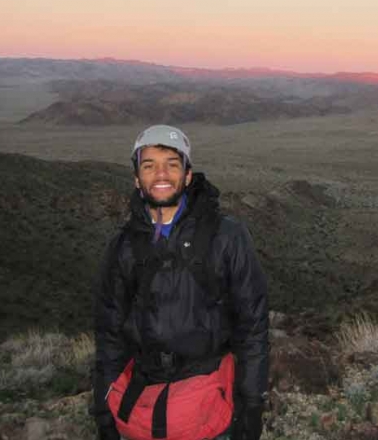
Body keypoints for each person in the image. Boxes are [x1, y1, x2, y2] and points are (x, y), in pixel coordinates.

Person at [92, 125, 269, 440]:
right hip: (144, 403)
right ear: (137, 178)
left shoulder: (226, 237)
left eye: (172, 164)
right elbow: (110, 338)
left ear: (188, 175)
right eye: (149, 166)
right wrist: (105, 415)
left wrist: (251, 406)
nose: (161, 174)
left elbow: (252, 329)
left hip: (211, 404)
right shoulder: (123, 247)